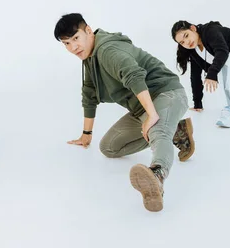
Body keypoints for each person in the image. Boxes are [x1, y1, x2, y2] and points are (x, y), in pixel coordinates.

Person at [54, 13, 194, 212]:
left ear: (88, 31)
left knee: (157, 131)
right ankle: (177, 129)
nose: (73, 47)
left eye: (75, 38)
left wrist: (152, 115)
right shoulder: (89, 58)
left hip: (166, 93)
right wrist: (86, 135)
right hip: (142, 108)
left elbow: (134, 75)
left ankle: (157, 174)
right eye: (66, 43)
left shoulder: (107, 50)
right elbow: (89, 94)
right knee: (109, 148)